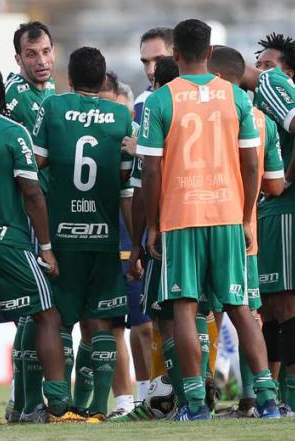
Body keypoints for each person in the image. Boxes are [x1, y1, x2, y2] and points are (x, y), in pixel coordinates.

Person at [139, 19, 281, 421]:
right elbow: (251, 162)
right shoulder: (235, 97)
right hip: (226, 214)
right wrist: (244, 214)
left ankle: (196, 404)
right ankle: (268, 400)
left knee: (184, 309)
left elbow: (150, 171)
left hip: (181, 215)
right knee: (239, 306)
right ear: (209, 53)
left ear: (176, 55)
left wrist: (152, 224)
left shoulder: (160, 100)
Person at [0, 60, 83, 425]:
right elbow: (31, 191)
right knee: (47, 313)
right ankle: (58, 403)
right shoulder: (12, 131)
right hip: (7, 239)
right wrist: (45, 246)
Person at [33, 47, 134, 423]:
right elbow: (127, 184)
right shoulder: (122, 115)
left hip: (62, 236)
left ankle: (59, 405)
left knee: (59, 320)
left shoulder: (55, 108)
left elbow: (34, 162)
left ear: (70, 78)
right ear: (103, 78)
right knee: (100, 324)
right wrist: (136, 243)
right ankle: (94, 408)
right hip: (104, 237)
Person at [240, 33, 295, 417]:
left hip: (288, 207)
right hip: (272, 208)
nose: (264, 71)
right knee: (272, 306)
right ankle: (272, 397)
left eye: (271, 65)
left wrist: (287, 179)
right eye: (262, 64)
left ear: (289, 73)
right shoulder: (262, 96)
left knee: (287, 304)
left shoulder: (274, 86)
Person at [207, 45, 286, 418]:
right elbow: (274, 185)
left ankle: (198, 398)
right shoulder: (262, 119)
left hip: (195, 226)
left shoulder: (199, 110)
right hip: (244, 233)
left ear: (218, 78)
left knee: (197, 312)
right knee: (247, 312)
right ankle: (255, 398)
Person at [116, 56, 180, 423]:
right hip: (217, 225)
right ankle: (257, 399)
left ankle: (178, 397)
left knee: (167, 314)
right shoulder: (212, 112)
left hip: (168, 231)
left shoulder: (152, 121)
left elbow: (142, 188)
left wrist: (140, 241)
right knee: (211, 312)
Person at [3, 21, 58, 423]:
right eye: (31, 54)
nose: (41, 61)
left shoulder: (54, 93)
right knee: (35, 308)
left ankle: (24, 402)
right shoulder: (13, 95)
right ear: (18, 58)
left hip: (49, 211)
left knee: (39, 308)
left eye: (46, 52)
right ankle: (25, 402)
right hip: (23, 213)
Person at [98, 70, 138, 418]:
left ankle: (152, 393)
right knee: (111, 326)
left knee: (142, 324)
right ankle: (124, 401)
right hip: (102, 240)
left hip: (132, 240)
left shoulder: (137, 137)